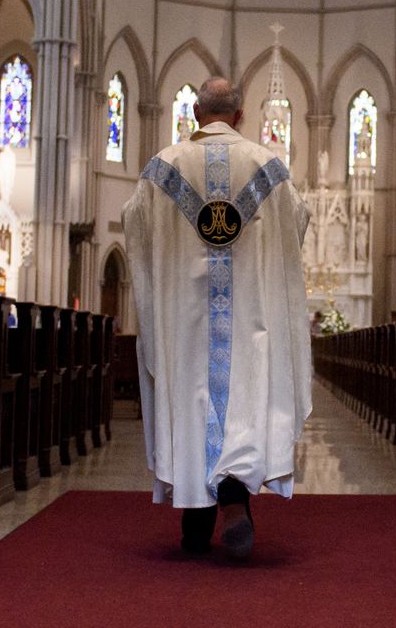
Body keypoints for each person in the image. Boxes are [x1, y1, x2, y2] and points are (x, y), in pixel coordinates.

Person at [124, 75, 311, 559]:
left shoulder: (163, 168)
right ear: (241, 116)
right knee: (242, 401)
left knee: (192, 403)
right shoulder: (268, 168)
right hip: (249, 320)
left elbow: (136, 226)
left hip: (185, 324)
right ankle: (232, 494)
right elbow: (298, 221)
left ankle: (195, 514)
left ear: (194, 113)